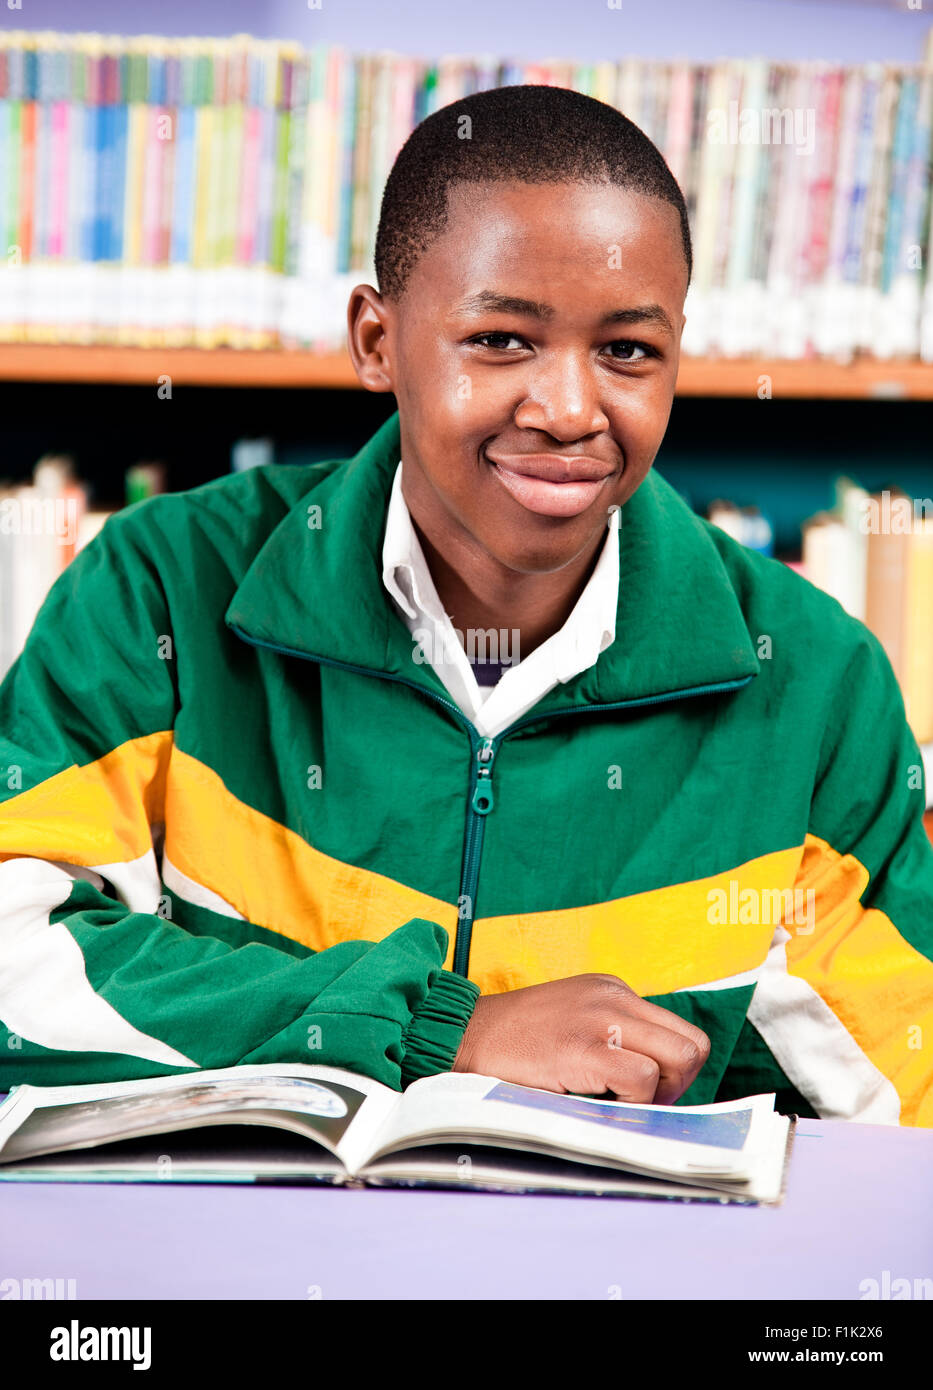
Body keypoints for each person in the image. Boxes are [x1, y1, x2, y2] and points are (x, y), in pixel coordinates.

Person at [1, 85, 931, 1124]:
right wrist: (452, 1031)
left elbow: (911, 1087)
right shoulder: (161, 589)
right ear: (377, 340)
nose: (570, 409)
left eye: (627, 349)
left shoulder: (816, 684)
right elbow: (14, 967)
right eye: (500, 339)